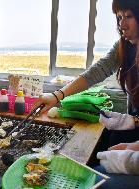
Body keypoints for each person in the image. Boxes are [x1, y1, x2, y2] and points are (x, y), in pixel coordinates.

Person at [34, 0, 139, 148]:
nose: (122, 25)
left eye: (129, 16)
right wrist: (56, 96)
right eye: (120, 17)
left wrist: (132, 126)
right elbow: (98, 70)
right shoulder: (124, 45)